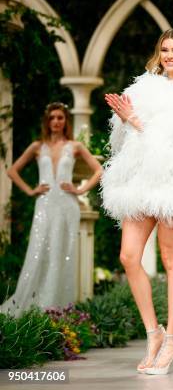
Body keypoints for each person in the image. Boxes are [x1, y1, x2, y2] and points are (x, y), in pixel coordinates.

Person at [102, 28, 173, 375]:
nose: (170, 55)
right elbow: (124, 139)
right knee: (128, 256)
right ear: (159, 53)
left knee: (170, 258)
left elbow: (172, 143)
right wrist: (125, 119)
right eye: (165, 50)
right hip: (140, 179)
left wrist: (136, 120)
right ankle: (152, 332)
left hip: (172, 181)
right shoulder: (145, 87)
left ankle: (172, 339)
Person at [0, 102, 102, 316]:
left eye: (60, 118)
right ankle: (37, 307)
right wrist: (30, 190)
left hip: (67, 204)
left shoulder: (74, 146)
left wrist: (80, 188)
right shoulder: (38, 147)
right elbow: (12, 171)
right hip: (44, 204)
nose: (56, 121)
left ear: (66, 121)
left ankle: (57, 310)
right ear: (47, 121)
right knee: (38, 252)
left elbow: (99, 170)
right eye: (52, 118)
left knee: (62, 254)